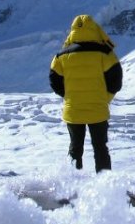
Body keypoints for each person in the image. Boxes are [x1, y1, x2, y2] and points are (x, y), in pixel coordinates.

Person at [49, 14, 122, 172]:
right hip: (98, 110)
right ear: (94, 29)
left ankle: (73, 186)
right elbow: (116, 81)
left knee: (75, 150)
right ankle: (105, 185)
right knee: (100, 149)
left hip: (73, 110)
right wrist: (104, 98)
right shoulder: (105, 54)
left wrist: (69, 96)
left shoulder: (61, 56)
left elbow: (54, 80)